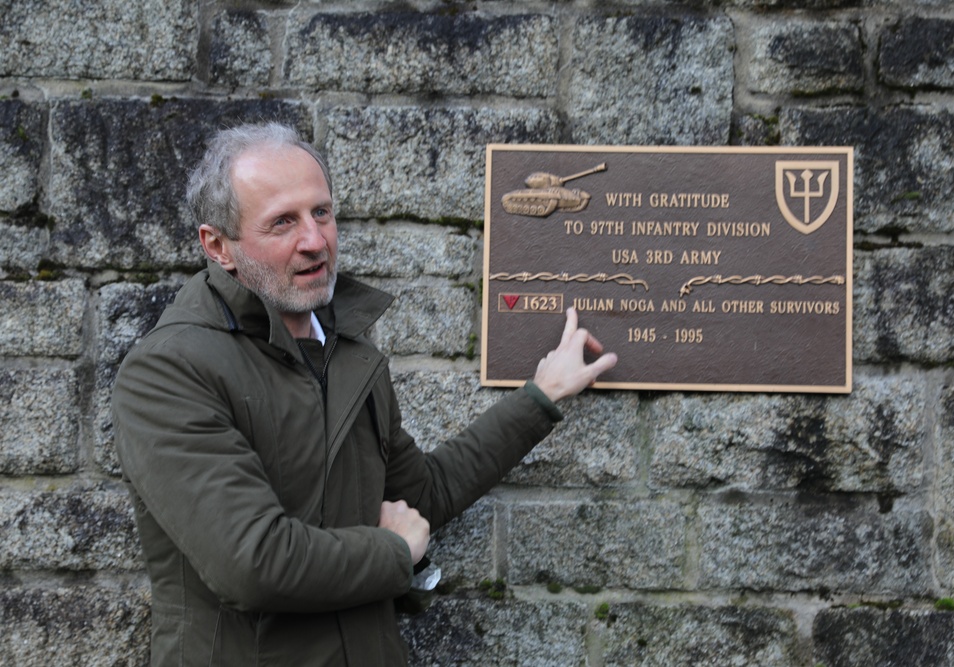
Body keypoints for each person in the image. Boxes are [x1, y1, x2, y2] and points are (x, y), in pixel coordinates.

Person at [112, 122, 617, 666]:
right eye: (283, 222)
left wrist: (540, 396)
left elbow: (423, 493)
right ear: (218, 245)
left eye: (321, 213)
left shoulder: (345, 351)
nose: (314, 241)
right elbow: (254, 563)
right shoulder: (169, 371)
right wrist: (395, 551)